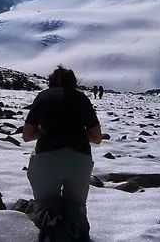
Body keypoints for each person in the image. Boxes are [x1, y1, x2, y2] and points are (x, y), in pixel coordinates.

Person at [23, 65, 102, 242]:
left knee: (45, 200)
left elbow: (26, 135)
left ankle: (48, 216)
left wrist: (45, 132)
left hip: (46, 157)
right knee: (76, 203)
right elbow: (97, 137)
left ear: (51, 82)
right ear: (74, 83)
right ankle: (77, 225)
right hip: (79, 158)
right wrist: (79, 134)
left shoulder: (43, 97)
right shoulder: (81, 98)